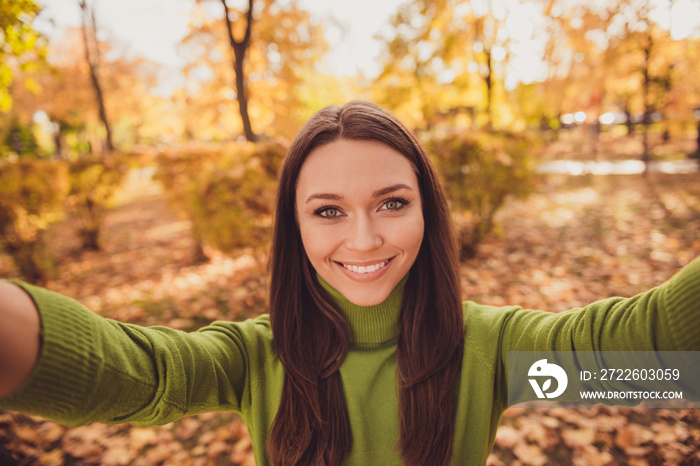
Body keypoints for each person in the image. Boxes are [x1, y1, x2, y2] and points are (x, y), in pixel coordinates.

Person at [0, 100, 698, 466]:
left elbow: (650, 360)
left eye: (392, 203)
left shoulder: (495, 354)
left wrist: (664, 379)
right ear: (294, 227)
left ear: (428, 207)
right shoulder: (251, 359)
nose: (363, 241)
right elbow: (137, 375)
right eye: (329, 212)